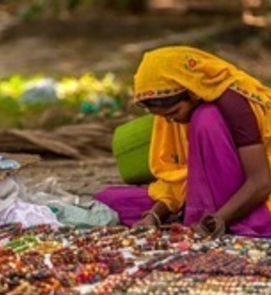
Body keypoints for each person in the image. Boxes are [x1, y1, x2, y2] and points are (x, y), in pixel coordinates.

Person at [96, 46, 271, 238]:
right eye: (165, 117)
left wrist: (218, 220)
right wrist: (154, 216)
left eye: (173, 113)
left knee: (206, 119)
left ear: (193, 93)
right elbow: (179, 177)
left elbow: (261, 182)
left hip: (255, 194)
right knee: (108, 200)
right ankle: (197, 212)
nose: (172, 121)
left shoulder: (233, 106)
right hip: (207, 191)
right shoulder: (178, 112)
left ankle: (212, 215)